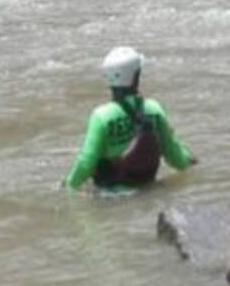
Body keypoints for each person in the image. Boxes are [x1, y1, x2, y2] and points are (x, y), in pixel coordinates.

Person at [64, 46, 196, 190]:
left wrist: (69, 186)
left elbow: (86, 163)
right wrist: (190, 160)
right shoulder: (154, 109)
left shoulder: (101, 117)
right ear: (136, 78)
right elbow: (176, 157)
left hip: (110, 200)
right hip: (148, 192)